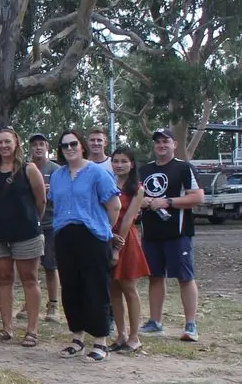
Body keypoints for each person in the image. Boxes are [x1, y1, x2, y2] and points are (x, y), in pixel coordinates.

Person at [51, 129, 122, 361]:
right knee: (71, 288)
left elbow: (115, 206)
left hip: (93, 237)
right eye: (64, 146)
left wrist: (103, 229)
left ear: (82, 146)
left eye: (73, 144)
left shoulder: (97, 173)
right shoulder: (57, 176)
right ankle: (77, 338)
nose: (69, 149)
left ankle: (100, 340)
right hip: (64, 236)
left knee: (95, 287)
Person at [0, 127, 47, 346]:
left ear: (16, 143)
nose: (4, 146)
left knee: (29, 279)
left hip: (26, 232)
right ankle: (7, 328)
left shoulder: (29, 169)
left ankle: (32, 330)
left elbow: (41, 201)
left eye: (7, 141)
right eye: (0, 142)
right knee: (4, 279)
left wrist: (30, 219)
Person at [138, 128, 204, 342]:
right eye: (158, 142)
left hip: (178, 234)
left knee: (185, 277)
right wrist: (143, 202)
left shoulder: (184, 168)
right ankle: (155, 322)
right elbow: (132, 196)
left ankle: (190, 325)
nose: (161, 145)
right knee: (155, 277)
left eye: (166, 141)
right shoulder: (144, 170)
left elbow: (198, 197)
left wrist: (168, 202)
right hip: (151, 234)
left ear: (174, 144)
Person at [109, 147, 150, 353]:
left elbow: (128, 218)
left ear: (132, 164)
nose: (119, 165)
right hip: (108, 236)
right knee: (113, 290)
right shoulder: (108, 183)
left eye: (123, 161)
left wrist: (117, 246)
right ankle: (120, 334)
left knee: (129, 288)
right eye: (115, 161)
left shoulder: (138, 188)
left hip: (126, 239)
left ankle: (134, 337)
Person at [23, 134, 62, 323]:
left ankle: (53, 305)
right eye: (34, 145)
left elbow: (65, 194)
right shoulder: (25, 168)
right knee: (30, 266)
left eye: (41, 144)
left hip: (51, 223)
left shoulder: (56, 170)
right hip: (30, 223)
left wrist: (50, 192)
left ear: (47, 146)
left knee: (50, 265)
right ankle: (28, 303)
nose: (38, 148)